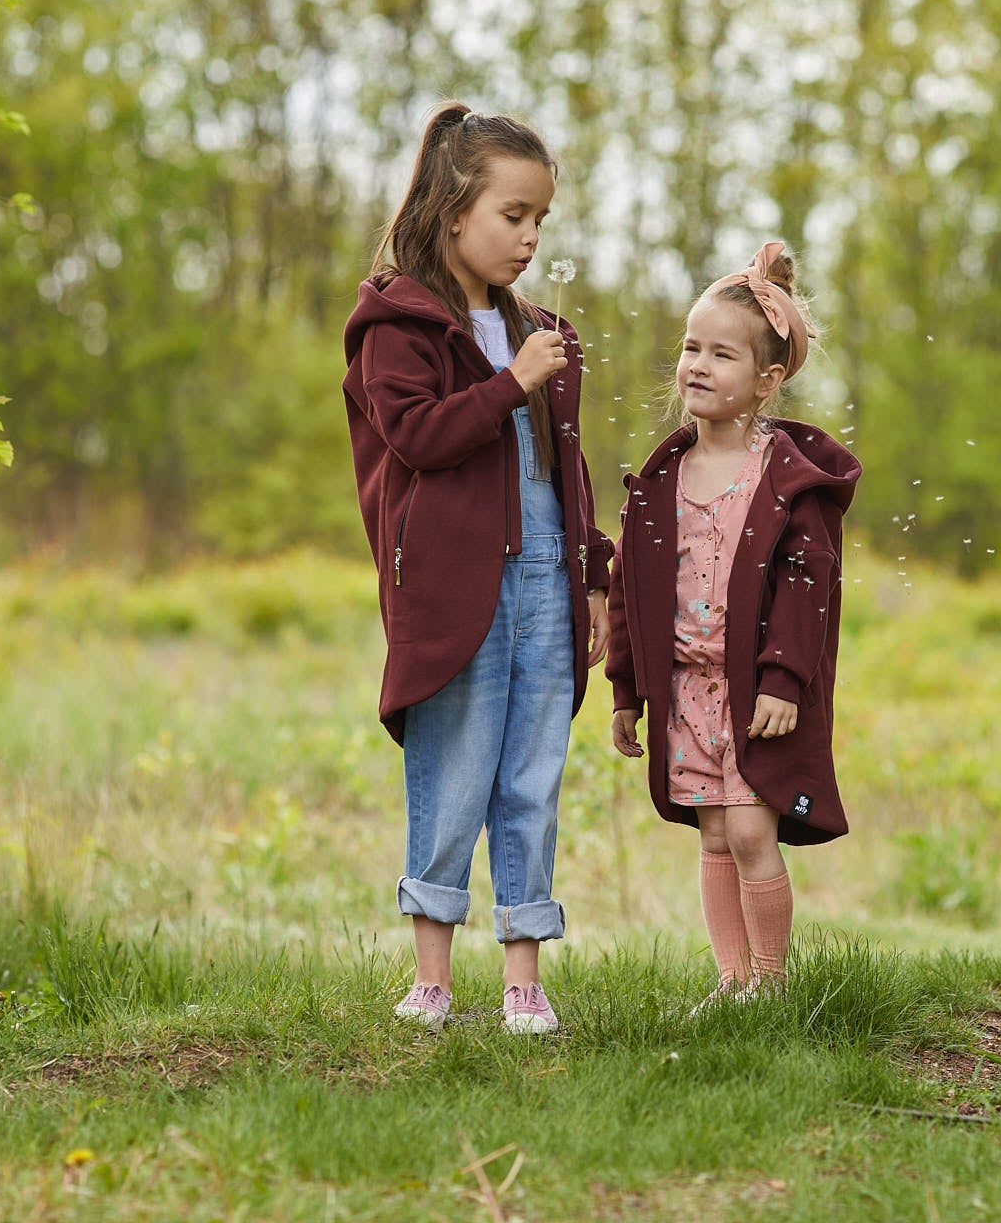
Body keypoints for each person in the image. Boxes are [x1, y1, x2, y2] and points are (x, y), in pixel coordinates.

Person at [342, 101, 612, 1034]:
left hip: (543, 569)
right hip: (455, 582)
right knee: (455, 770)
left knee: (532, 772)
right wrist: (511, 383)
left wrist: (600, 574)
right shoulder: (398, 323)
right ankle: (431, 979)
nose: (531, 237)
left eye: (541, 219)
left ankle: (524, 980)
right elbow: (416, 438)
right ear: (454, 209)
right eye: (514, 216)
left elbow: (560, 467)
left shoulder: (535, 329)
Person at [605, 242, 860, 1009]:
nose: (698, 365)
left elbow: (807, 585)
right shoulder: (660, 479)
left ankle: (773, 986)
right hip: (688, 691)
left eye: (722, 354)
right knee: (713, 833)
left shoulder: (783, 477)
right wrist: (625, 689)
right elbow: (628, 591)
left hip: (755, 691)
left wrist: (785, 678)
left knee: (754, 833)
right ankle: (732, 980)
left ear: (767, 380)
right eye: (691, 348)